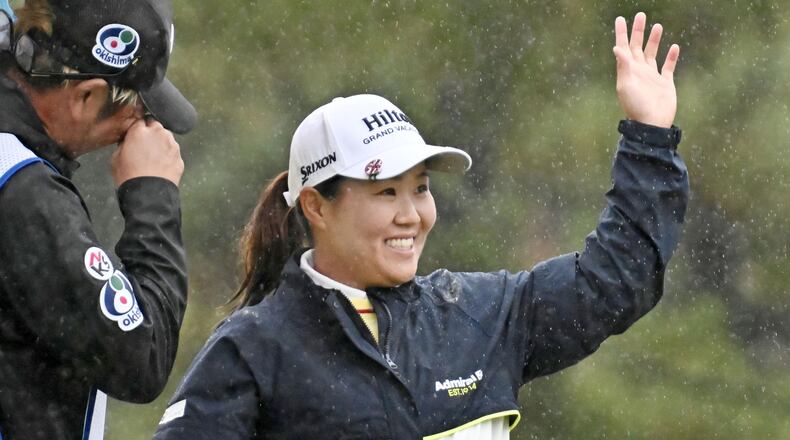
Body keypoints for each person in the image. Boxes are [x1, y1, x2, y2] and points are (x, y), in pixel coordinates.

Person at [154, 12, 687, 440]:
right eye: (386, 191)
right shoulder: (253, 349)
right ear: (316, 206)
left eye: (421, 188)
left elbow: (617, 281)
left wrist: (648, 138)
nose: (411, 214)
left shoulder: (482, 315)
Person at [0, 0, 196, 439]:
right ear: (86, 95)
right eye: (139, 105)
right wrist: (153, 194)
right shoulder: (22, 192)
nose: (142, 123)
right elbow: (141, 357)